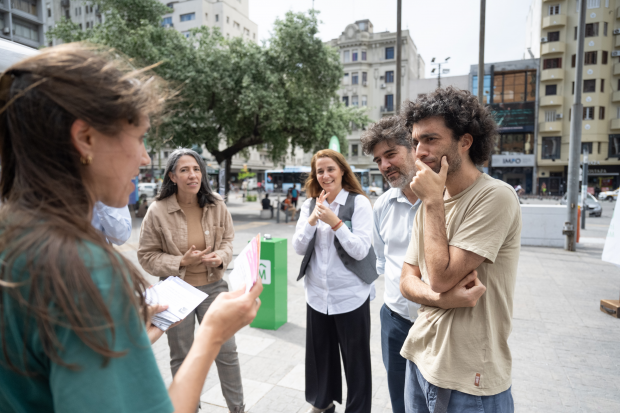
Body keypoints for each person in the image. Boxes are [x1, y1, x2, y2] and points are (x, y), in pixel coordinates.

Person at [0, 44, 261, 413]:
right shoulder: (86, 271)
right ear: (86, 138)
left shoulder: (16, 237)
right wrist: (213, 336)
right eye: (139, 138)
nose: (143, 159)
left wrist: (127, 334)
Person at [399, 87, 521, 412]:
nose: (419, 152)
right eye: (414, 142)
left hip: (470, 380)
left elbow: (437, 277)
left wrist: (433, 202)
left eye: (430, 139)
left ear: (465, 142)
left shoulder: (495, 197)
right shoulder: (431, 199)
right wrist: (444, 300)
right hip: (421, 359)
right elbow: (407, 280)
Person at [138, 148, 245, 413]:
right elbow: (146, 256)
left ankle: (238, 409)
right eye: (184, 170)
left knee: (227, 351)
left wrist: (220, 256)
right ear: (172, 176)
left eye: (196, 169)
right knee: (182, 356)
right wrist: (180, 262)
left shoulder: (216, 204)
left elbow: (229, 241)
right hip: (177, 291)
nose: (192, 175)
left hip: (214, 287)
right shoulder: (158, 210)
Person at [292, 149, 378, 413]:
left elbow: (361, 250)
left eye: (330, 169)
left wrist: (336, 223)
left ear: (342, 170)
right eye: (320, 171)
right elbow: (298, 247)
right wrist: (313, 219)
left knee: (356, 363)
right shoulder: (309, 205)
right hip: (317, 296)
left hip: (350, 297)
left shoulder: (359, 203)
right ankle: (323, 402)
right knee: (320, 357)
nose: (325, 175)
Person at [361, 116, 421, 413]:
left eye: (391, 154)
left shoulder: (447, 201)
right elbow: (381, 259)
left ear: (414, 148)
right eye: (378, 160)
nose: (384, 166)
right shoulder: (382, 205)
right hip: (394, 321)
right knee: (400, 399)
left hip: (437, 323)